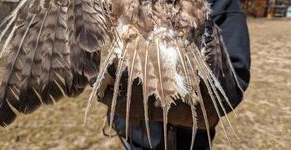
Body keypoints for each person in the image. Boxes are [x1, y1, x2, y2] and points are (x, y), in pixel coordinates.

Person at [100, 0, 251, 149]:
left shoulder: (221, 3)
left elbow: (232, 85)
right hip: (132, 137)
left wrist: (151, 106)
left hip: (187, 142)